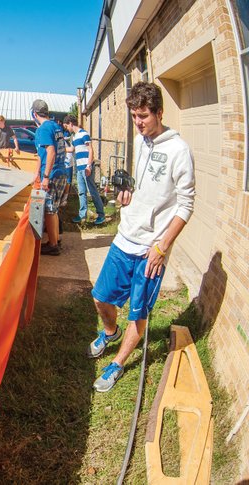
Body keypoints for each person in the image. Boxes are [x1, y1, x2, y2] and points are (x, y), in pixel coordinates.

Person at [87, 82, 195, 392]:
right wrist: (128, 197)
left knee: (138, 312)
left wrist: (162, 247)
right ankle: (110, 332)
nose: (138, 122)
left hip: (152, 248)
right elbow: (147, 189)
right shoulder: (143, 142)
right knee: (100, 297)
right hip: (125, 237)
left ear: (159, 112)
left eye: (144, 116)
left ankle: (117, 364)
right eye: (134, 116)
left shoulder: (178, 150)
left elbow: (186, 204)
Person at [31, 99, 67, 256]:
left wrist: (45, 177)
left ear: (34, 113)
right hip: (60, 171)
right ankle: (56, 238)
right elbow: (42, 154)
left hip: (51, 175)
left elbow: (51, 151)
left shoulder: (43, 129)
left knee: (49, 210)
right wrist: (36, 173)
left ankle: (53, 245)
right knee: (55, 209)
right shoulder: (55, 126)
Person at [63, 115, 105, 225]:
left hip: (86, 168)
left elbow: (90, 150)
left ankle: (101, 215)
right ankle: (82, 215)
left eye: (67, 126)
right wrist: (59, 147)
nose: (67, 129)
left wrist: (88, 166)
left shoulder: (84, 134)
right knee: (81, 192)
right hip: (79, 169)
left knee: (92, 191)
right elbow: (71, 149)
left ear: (71, 123)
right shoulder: (74, 137)